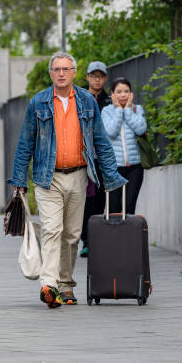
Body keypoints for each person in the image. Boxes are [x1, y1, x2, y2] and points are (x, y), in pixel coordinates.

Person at [9, 52, 127, 308]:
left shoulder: (86, 101)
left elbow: (100, 141)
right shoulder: (38, 102)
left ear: (74, 73)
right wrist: (19, 178)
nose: (61, 73)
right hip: (47, 177)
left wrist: (111, 176)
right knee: (52, 229)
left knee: (72, 235)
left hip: (78, 175)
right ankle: (49, 285)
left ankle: (65, 285)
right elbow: (25, 143)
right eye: (56, 69)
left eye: (66, 69)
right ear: (50, 74)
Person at [80, 61, 112, 258]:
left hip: (101, 159)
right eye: (94, 75)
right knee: (84, 200)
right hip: (82, 158)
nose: (97, 79)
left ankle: (93, 240)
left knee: (99, 200)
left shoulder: (110, 100)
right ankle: (84, 239)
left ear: (105, 79)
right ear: (88, 77)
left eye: (100, 76)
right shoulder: (79, 97)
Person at [101, 77, 146, 215]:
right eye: (119, 91)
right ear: (112, 94)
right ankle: (115, 236)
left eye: (126, 91)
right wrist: (119, 111)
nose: (123, 94)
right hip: (114, 168)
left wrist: (127, 110)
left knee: (129, 205)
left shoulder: (137, 109)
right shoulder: (106, 111)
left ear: (131, 94)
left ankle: (128, 236)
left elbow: (141, 129)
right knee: (114, 207)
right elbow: (111, 132)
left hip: (135, 167)